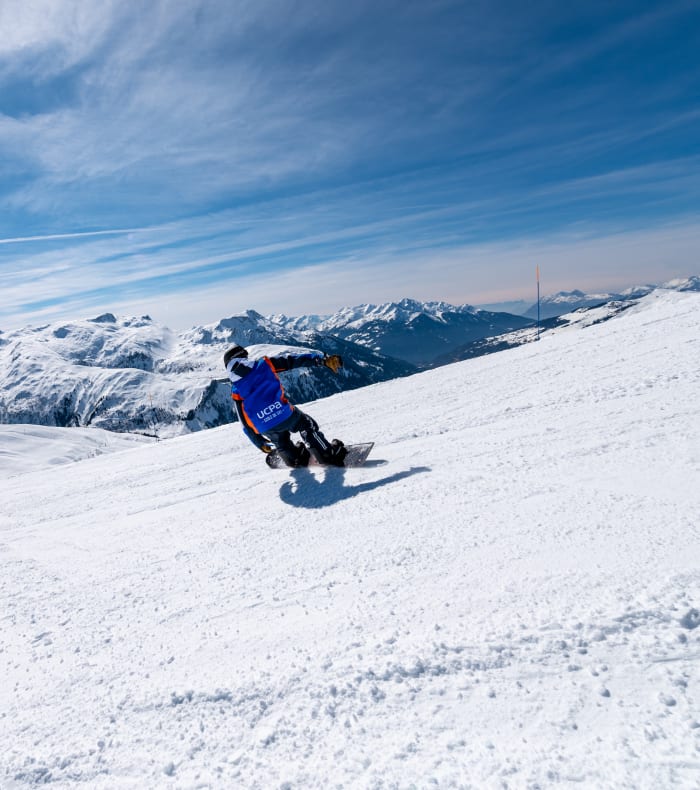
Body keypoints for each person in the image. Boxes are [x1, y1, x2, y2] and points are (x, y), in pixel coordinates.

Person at [224, 344, 347, 467]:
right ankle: (328, 453)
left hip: (263, 425)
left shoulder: (235, 389)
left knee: (280, 440)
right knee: (307, 425)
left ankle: (293, 459)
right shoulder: (264, 364)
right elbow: (292, 361)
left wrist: (258, 442)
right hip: (283, 413)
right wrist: (321, 360)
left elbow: (243, 421)